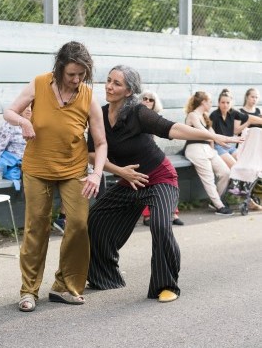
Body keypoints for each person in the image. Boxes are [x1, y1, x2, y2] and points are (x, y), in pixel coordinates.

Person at [86, 65, 239, 303]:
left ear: (129, 91)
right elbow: (91, 154)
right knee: (95, 219)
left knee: (159, 225)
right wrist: (120, 172)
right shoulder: (99, 115)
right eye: (108, 81)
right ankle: (105, 276)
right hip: (130, 181)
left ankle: (166, 285)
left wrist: (212, 136)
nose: (109, 86)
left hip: (160, 179)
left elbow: (173, 128)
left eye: (117, 83)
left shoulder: (138, 113)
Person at [3, 41, 107, 312]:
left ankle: (65, 286)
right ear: (60, 68)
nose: (76, 80)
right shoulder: (39, 84)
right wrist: (24, 121)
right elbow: (9, 111)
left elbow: (101, 142)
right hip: (37, 168)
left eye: (81, 75)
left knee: (79, 224)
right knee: (37, 226)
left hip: (74, 169)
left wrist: (96, 174)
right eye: (71, 74)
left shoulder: (87, 95)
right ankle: (29, 290)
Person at [139, 90, 184, 226]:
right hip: (137, 157)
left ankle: (172, 213)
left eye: (150, 100)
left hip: (151, 156)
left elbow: (168, 131)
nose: (147, 101)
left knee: (169, 177)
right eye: (145, 98)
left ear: (154, 103)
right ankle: (147, 216)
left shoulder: (154, 118)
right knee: (146, 182)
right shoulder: (135, 116)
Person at [184, 91, 233, 215]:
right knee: (209, 178)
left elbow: (212, 136)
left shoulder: (205, 116)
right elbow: (203, 132)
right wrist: (216, 139)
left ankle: (216, 200)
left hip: (207, 149)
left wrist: (221, 143)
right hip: (195, 149)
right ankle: (219, 206)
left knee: (225, 172)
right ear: (203, 102)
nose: (211, 104)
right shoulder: (192, 115)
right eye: (210, 101)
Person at [210, 88, 262, 194]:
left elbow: (249, 117)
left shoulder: (233, 113)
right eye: (222, 102)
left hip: (230, 146)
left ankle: (245, 191)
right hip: (218, 146)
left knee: (244, 162)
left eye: (228, 102)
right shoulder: (214, 115)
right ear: (218, 103)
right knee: (235, 165)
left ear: (231, 103)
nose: (225, 105)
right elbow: (210, 134)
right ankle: (237, 190)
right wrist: (211, 150)